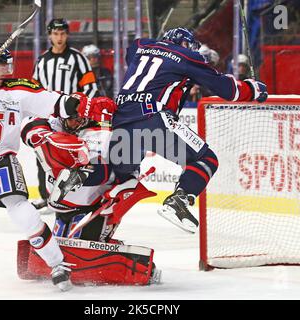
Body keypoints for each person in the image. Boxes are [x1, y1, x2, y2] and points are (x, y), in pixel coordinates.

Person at [0, 42, 114, 291]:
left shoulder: (20, 90)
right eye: (0, 65)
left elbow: (59, 103)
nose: (6, 70)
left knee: (22, 210)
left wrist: (85, 104)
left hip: (2, 160)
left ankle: (57, 264)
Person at [109, 27, 268, 233]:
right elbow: (227, 89)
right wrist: (253, 88)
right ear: (184, 45)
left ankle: (98, 226)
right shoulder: (187, 56)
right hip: (153, 119)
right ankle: (179, 201)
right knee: (206, 159)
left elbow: (132, 53)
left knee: (122, 180)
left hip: (120, 120)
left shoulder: (141, 45)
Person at [20, 108, 161, 285]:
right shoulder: (54, 124)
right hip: (65, 203)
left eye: (79, 119)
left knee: (89, 244)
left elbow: (124, 171)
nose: (75, 123)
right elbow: (28, 125)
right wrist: (43, 135)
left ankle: (136, 266)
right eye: (71, 119)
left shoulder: (101, 135)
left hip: (96, 203)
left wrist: (115, 188)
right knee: (65, 242)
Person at [32, 18, 99, 214]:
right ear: (50, 35)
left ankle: (70, 197)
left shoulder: (78, 58)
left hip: (71, 120)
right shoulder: (41, 60)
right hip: (47, 116)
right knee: (42, 156)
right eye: (55, 33)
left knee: (70, 156)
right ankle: (47, 197)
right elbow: (34, 90)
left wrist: (78, 113)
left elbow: (91, 89)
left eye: (62, 33)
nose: (59, 37)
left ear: (67, 34)